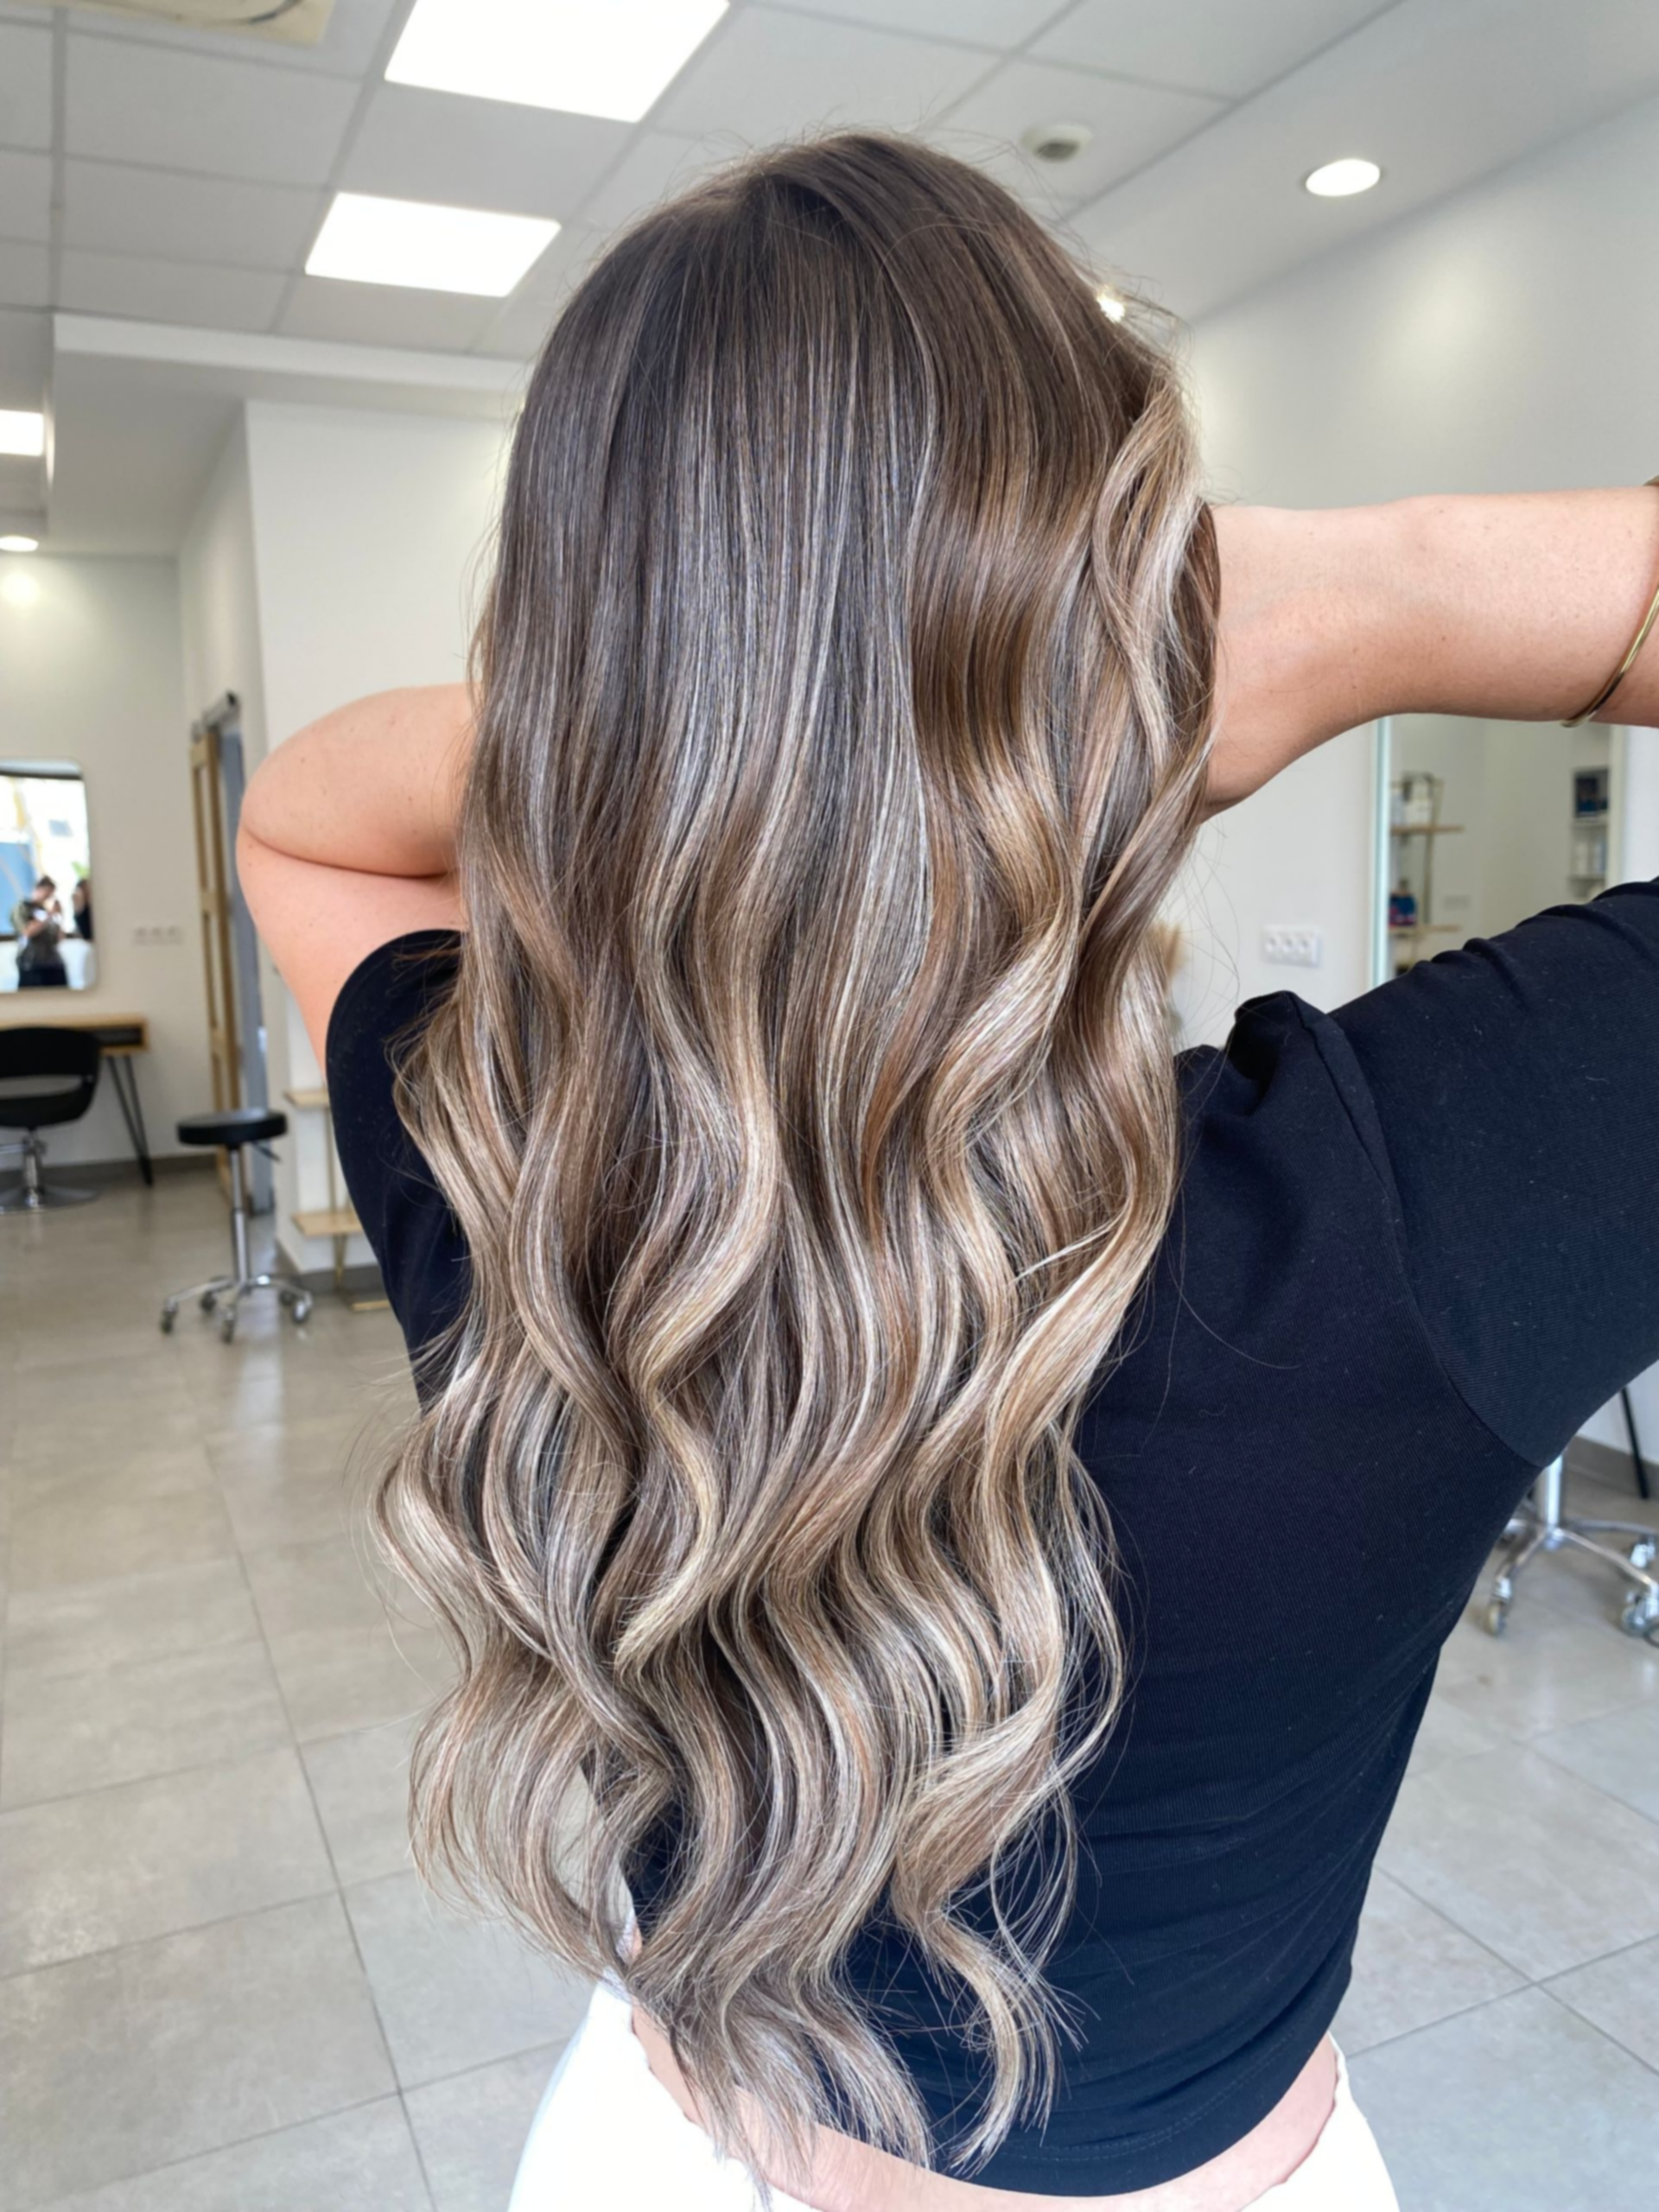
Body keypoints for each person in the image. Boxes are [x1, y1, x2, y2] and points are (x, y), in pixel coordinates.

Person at [236, 134, 1659, 2212]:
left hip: (647, 2144)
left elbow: (306, 822)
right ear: (1130, 618)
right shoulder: (1394, 1228)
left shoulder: (515, 1177)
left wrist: (691, 720)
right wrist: (1363, 599)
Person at [11, 873, 67, 988]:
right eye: (46, 893)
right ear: (38, 889)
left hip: (53, 964)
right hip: (32, 965)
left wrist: (61, 917)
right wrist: (49, 915)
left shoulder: (48, 913)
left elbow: (59, 938)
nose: (48, 897)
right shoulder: (23, 908)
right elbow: (27, 931)